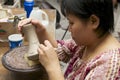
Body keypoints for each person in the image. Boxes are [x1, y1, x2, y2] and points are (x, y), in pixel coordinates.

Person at [18, 0, 120, 80]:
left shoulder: (108, 66)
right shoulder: (88, 41)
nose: (69, 28)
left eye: (71, 23)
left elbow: (54, 62)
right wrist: (40, 31)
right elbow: (60, 51)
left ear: (93, 21)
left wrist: (53, 68)